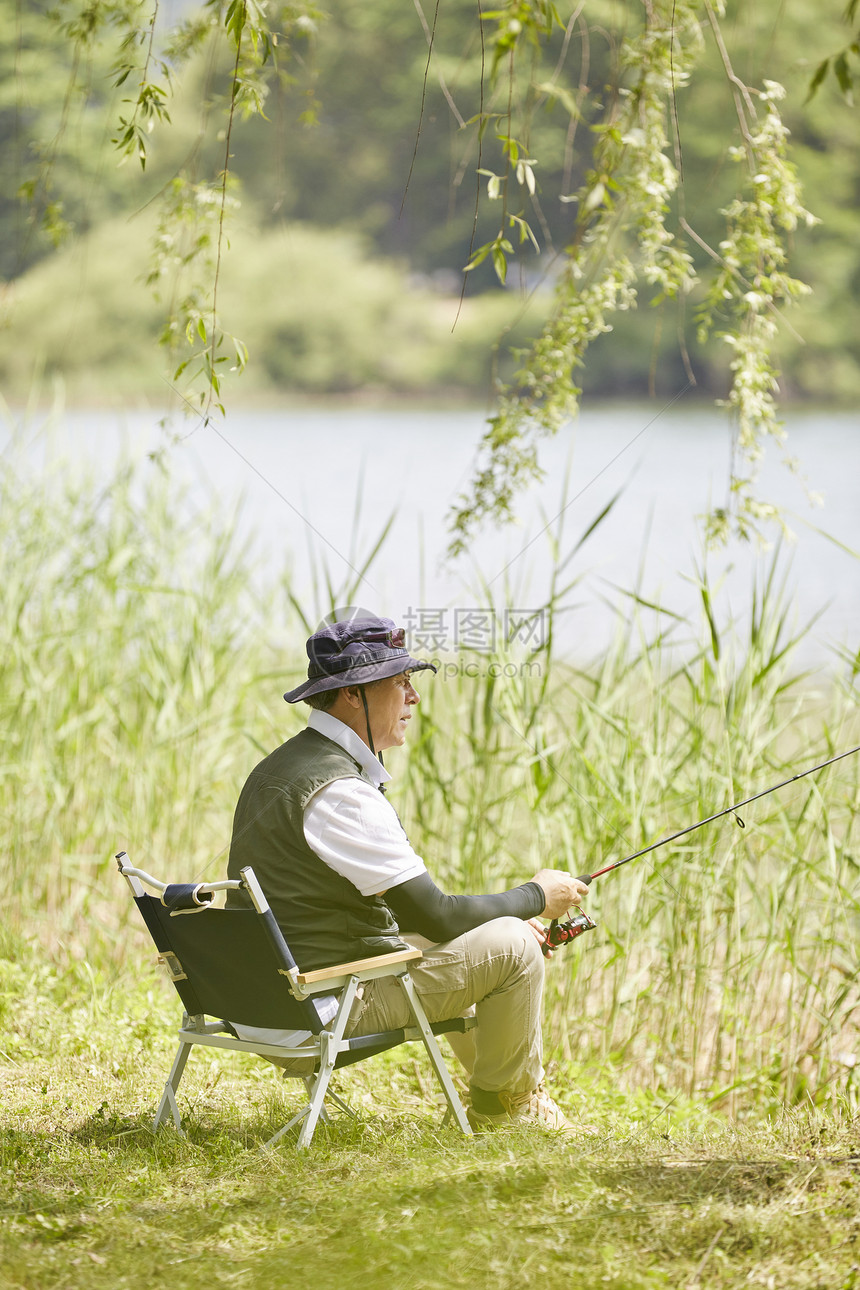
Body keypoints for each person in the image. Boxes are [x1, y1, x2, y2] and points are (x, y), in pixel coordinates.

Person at [227, 614, 589, 1131]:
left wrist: (500, 915)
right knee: (514, 946)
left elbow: (401, 914)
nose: (413, 697)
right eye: (400, 682)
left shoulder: (283, 767)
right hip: (313, 1009)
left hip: (266, 999)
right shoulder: (342, 794)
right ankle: (506, 1109)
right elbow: (438, 918)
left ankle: (505, 1098)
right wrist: (536, 896)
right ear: (354, 694)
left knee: (496, 933)